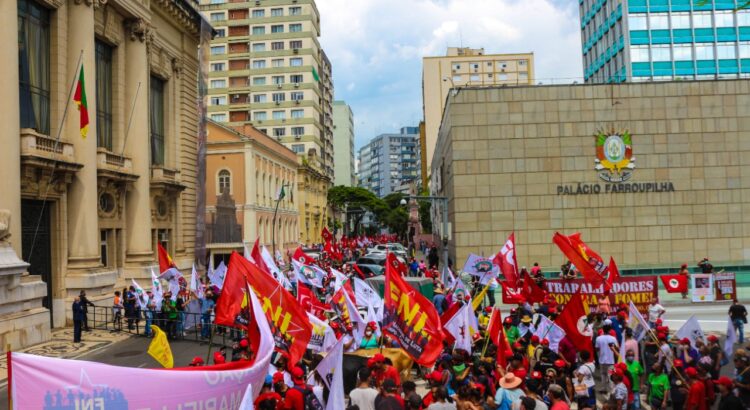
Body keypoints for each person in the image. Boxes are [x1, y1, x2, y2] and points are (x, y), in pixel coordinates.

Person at [595, 324, 619, 393]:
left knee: (603, 374)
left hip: (602, 360)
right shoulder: (613, 338)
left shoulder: (598, 338)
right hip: (610, 361)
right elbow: (617, 348)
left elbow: (596, 349)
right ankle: (612, 390)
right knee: (611, 375)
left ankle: (604, 388)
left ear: (603, 330)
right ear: (609, 330)